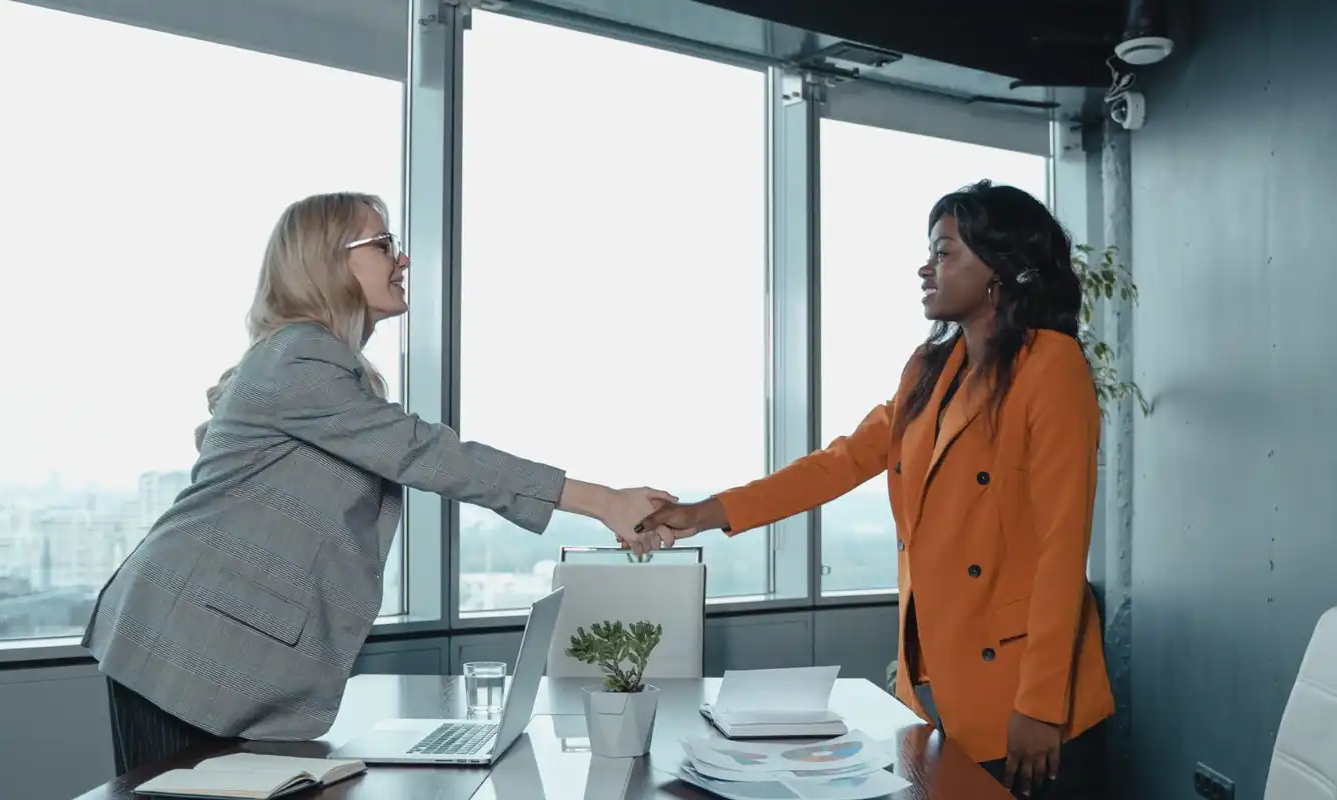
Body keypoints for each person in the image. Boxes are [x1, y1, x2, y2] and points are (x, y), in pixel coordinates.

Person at [82, 191, 677, 775]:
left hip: (216, 644)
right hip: (184, 643)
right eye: (384, 242)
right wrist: (603, 500)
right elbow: (430, 453)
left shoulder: (318, 363)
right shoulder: (301, 358)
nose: (403, 259)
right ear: (329, 260)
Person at [635, 180, 1113, 799]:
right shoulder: (928, 368)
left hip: (1026, 691)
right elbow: (838, 463)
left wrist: (1042, 705)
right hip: (934, 679)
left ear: (1000, 269)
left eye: (944, 252)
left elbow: (1061, 547)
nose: (926, 267)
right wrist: (707, 512)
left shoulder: (1051, 366)